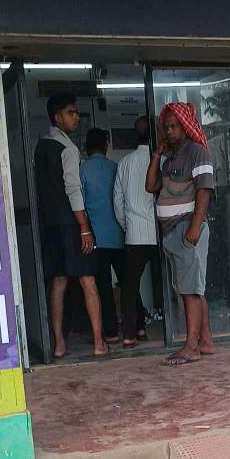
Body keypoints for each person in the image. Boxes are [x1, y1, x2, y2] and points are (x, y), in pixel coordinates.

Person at [34, 92, 108, 358]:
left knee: (59, 281)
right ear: (57, 117)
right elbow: (73, 189)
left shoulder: (41, 146)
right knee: (88, 280)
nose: (76, 117)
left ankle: (58, 344)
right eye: (71, 113)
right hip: (71, 223)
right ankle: (99, 343)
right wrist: (84, 227)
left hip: (51, 224)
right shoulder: (68, 149)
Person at [145, 102, 217, 365]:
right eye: (166, 127)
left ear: (186, 127)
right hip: (173, 232)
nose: (170, 131)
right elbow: (150, 186)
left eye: (175, 126)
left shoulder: (197, 153)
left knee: (189, 291)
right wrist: (157, 155)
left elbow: (204, 190)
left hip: (187, 229)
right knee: (192, 288)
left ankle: (191, 347)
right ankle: (205, 341)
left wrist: (195, 227)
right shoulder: (170, 158)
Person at [113, 115, 158, 347]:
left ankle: (132, 333)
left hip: (135, 234)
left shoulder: (125, 163)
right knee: (172, 280)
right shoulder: (161, 160)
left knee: (130, 286)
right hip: (161, 232)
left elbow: (117, 202)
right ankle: (178, 329)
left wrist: (127, 225)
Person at [80, 127, 125, 343]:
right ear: (106, 146)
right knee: (128, 282)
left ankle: (111, 332)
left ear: (86, 147)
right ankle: (137, 327)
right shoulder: (115, 168)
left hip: (95, 237)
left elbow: (79, 204)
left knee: (103, 286)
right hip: (119, 234)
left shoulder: (82, 170)